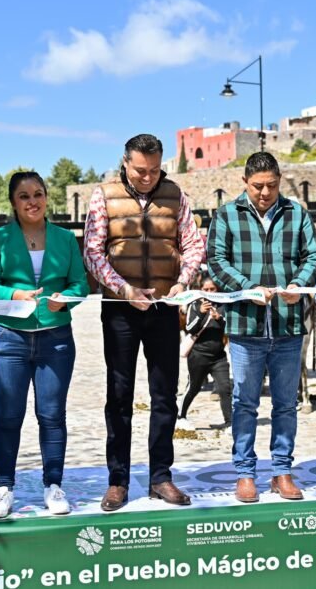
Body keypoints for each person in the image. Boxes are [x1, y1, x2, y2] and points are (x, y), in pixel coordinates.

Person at [83, 133, 204, 511]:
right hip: (120, 308)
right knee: (119, 396)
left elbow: (194, 243)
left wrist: (183, 282)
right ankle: (117, 480)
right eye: (140, 170)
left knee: (164, 396)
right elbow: (92, 251)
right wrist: (124, 290)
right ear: (125, 162)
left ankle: (161, 477)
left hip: (164, 308)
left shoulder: (176, 194)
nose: (148, 177)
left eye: (153, 170)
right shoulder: (103, 195)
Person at [206, 152, 316, 502]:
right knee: (244, 403)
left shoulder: (296, 213)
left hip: (288, 326)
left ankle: (282, 471)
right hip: (245, 326)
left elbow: (312, 257)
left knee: (286, 403)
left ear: (280, 180)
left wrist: (298, 284)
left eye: (271, 185)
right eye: (258, 186)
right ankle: (245, 474)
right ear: (245, 182)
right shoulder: (226, 215)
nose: (265, 192)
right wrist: (244, 287)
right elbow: (216, 261)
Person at [0, 171, 90, 519]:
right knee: (8, 416)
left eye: (38, 194)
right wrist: (14, 294)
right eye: (24, 196)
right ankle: (3, 488)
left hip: (56, 338)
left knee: (52, 416)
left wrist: (66, 299)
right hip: (8, 338)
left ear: (46, 197)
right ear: (13, 202)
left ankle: (53, 485)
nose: (32, 201)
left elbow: (80, 284)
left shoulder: (65, 238)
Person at [177, 274, 231, 430]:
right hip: (198, 355)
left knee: (225, 388)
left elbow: (228, 329)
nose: (209, 292)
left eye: (212, 289)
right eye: (206, 289)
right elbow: (189, 328)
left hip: (218, 356)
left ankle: (229, 422)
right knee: (193, 387)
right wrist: (201, 313)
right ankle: (181, 416)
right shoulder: (195, 304)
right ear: (200, 290)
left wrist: (220, 319)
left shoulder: (223, 304)